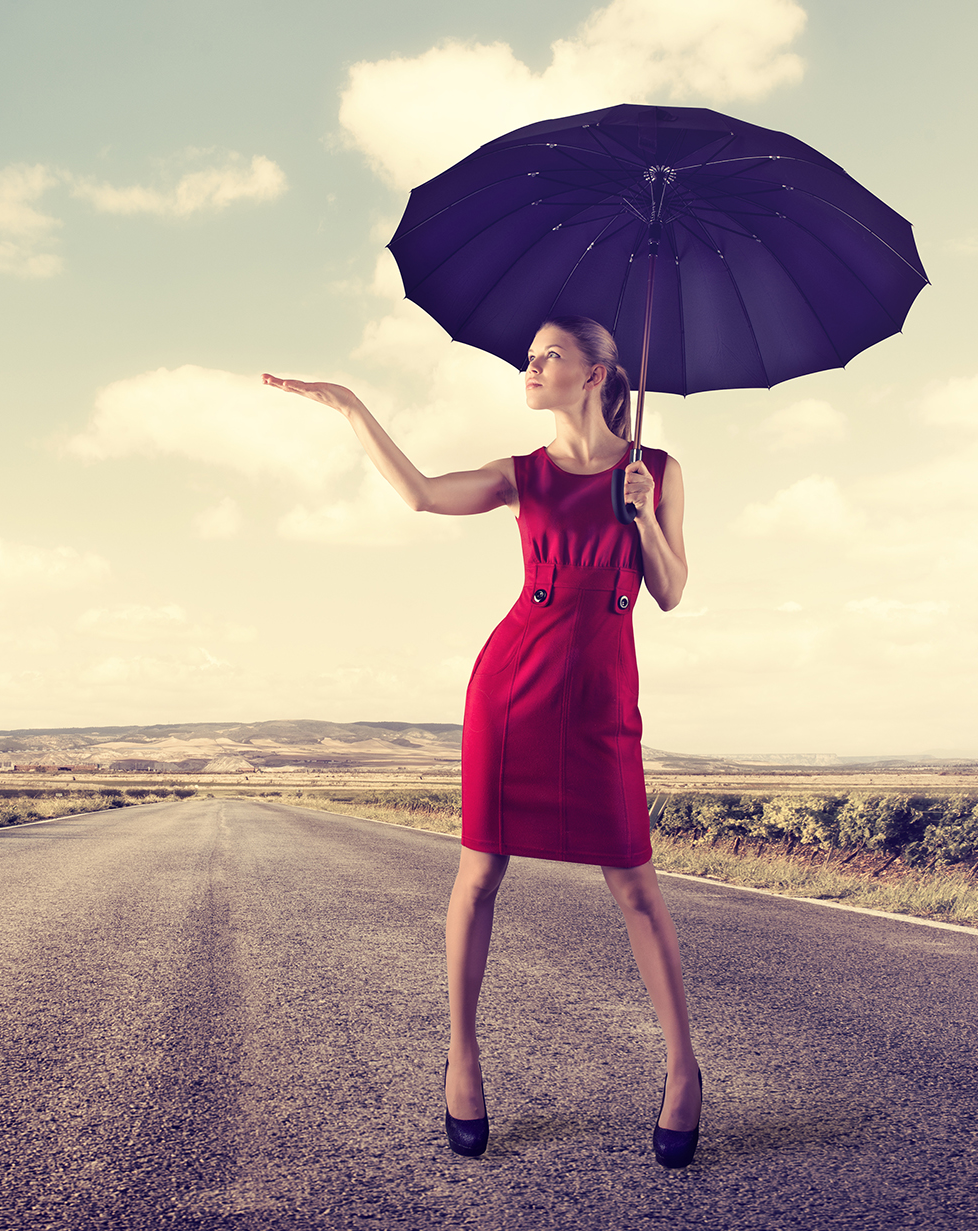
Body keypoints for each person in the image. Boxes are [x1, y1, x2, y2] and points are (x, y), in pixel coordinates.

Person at [263, 314, 701, 1168]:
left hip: (605, 700)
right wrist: (352, 407)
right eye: (529, 358)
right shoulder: (522, 474)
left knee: (636, 886)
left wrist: (644, 517)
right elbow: (423, 492)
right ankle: (463, 1059)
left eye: (548, 358)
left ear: (599, 374)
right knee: (480, 872)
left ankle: (683, 1070)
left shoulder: (658, 473)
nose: (529, 369)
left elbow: (673, 591)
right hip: (513, 690)